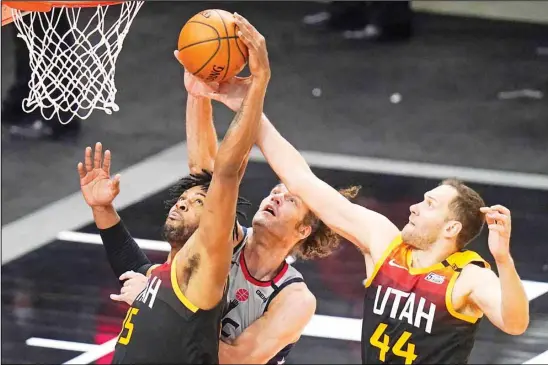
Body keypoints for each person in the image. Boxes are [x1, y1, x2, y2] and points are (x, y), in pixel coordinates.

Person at [195, 79, 530, 364]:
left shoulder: (468, 277)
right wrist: (249, 105)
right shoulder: (386, 243)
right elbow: (301, 180)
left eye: (429, 204)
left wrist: (503, 259)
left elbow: (514, 323)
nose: (413, 207)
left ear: (451, 228)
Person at [78, 25, 357, 365]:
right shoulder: (228, 241)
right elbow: (206, 175)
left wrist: (152, 302)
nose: (274, 198)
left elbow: (236, 358)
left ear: (304, 229)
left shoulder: (294, 297)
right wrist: (199, 94)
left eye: (290, 200)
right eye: (274, 191)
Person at [78, 13, 270, 364]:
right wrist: (103, 210)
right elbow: (129, 262)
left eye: (197, 202)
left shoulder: (206, 263)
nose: (181, 204)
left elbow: (223, 172)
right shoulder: (164, 274)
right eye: (182, 199)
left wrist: (259, 81)